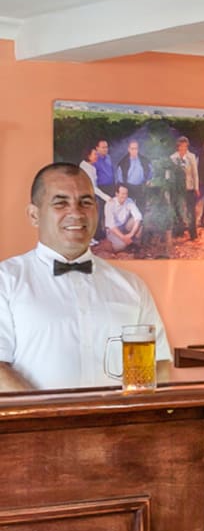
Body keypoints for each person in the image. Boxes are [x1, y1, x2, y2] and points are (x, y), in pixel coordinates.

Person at [0, 164, 172, 391]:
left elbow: (159, 365)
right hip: (37, 425)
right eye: (60, 203)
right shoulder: (6, 281)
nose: (76, 213)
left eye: (86, 202)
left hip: (120, 425)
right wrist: (52, 420)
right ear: (34, 215)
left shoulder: (132, 286)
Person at [164, 135, 197, 240]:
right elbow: (168, 173)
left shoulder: (191, 156)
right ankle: (179, 232)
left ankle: (193, 234)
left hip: (189, 187)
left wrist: (196, 187)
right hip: (177, 189)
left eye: (185, 146)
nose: (183, 148)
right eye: (181, 146)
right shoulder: (173, 157)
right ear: (178, 146)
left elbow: (195, 173)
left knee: (190, 211)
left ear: (187, 146)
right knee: (178, 210)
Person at [78, 138, 111, 238]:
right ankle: (88, 238)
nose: (97, 156)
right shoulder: (84, 167)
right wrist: (106, 197)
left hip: (92, 195)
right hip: (85, 196)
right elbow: (92, 186)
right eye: (94, 154)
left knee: (94, 215)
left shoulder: (92, 167)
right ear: (88, 156)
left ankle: (94, 236)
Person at [101, 181, 143, 252]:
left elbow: (138, 217)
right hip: (113, 230)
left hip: (124, 227)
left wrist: (131, 234)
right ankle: (112, 244)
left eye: (126, 193)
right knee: (121, 246)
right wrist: (123, 237)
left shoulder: (129, 201)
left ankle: (135, 245)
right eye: (122, 194)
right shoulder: (110, 204)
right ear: (117, 194)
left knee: (139, 222)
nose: (125, 196)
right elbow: (111, 226)